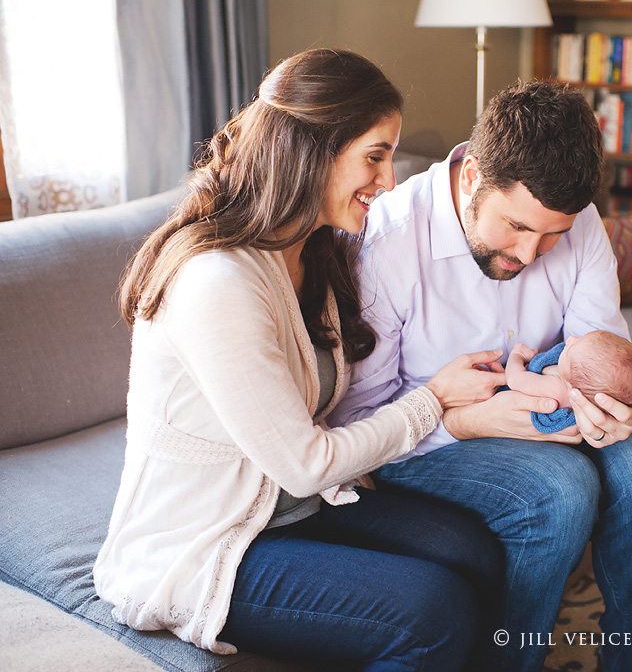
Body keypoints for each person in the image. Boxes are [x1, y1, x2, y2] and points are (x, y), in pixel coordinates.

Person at [93, 49, 507, 671]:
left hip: (287, 509)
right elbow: (308, 463)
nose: (389, 180)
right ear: (310, 149)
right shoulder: (217, 281)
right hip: (205, 544)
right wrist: (433, 403)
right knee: (433, 609)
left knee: (475, 551)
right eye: (374, 155)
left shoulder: (314, 252)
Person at [329, 80, 632, 672]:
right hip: (427, 437)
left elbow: (598, 345)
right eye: (516, 226)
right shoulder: (387, 242)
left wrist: (619, 405)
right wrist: (467, 423)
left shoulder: (581, 222)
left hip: (553, 402)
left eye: (553, 235)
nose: (530, 253)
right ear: (471, 177)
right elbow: (358, 424)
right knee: (561, 493)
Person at [505, 331, 632, 434]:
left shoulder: (556, 387)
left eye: (571, 349)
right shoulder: (587, 386)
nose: (570, 339)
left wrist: (516, 355)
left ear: (573, 385)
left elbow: (514, 379)